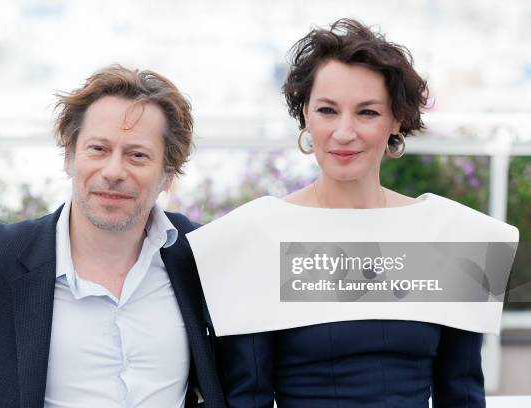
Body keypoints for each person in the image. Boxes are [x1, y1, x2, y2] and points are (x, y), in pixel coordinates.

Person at [186, 19, 518, 408]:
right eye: (328, 110)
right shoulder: (256, 236)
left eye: (367, 113)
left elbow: (461, 396)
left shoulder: (447, 236)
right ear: (305, 115)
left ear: (396, 120)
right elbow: (248, 397)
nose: (344, 132)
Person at [0, 65, 225, 407]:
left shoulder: (202, 254)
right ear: (69, 157)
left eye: (137, 155)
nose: (113, 172)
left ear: (168, 176)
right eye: (98, 149)